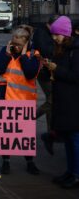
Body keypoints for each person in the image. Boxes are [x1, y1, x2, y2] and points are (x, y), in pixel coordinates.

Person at [0, 26, 41, 175]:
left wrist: (23, 55)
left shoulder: (34, 55)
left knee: (26, 135)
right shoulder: (6, 51)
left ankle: (29, 161)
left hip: (24, 100)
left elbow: (30, 73)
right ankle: (6, 161)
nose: (16, 47)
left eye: (19, 45)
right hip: (5, 97)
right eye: (14, 43)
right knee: (5, 134)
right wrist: (7, 54)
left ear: (26, 43)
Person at [43, 16, 79, 188]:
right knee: (68, 139)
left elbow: (75, 76)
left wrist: (57, 69)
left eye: (57, 34)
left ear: (65, 33)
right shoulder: (62, 50)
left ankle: (76, 174)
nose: (54, 38)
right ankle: (70, 171)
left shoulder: (75, 50)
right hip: (64, 101)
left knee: (75, 139)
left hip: (73, 102)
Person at [32, 15, 59, 154]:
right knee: (51, 100)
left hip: (49, 72)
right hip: (44, 73)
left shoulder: (47, 32)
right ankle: (31, 118)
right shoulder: (42, 33)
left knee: (52, 102)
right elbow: (47, 50)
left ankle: (51, 132)